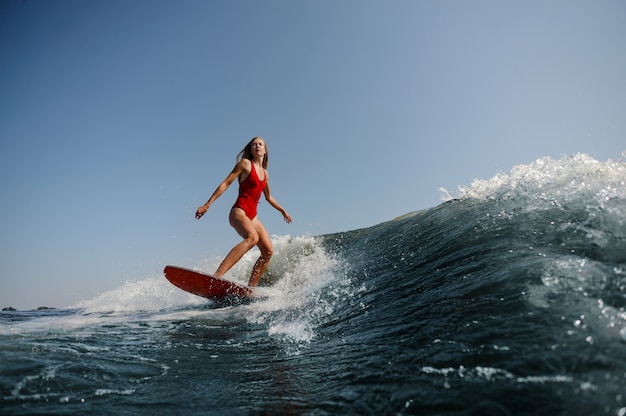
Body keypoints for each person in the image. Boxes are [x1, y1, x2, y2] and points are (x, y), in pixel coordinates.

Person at [195, 137, 292, 287]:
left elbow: (269, 197)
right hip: (239, 211)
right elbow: (226, 183)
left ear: (265, 150)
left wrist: (282, 210)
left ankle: (250, 288)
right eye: (254, 144)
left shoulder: (265, 174)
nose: (257, 146)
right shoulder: (245, 164)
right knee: (252, 238)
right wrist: (207, 205)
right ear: (251, 149)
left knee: (268, 252)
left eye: (260, 144)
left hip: (253, 217)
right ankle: (217, 276)